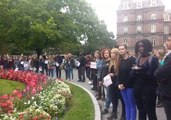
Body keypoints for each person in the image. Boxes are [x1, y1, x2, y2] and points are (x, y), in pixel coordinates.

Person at [131, 39, 158, 120]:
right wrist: (134, 71)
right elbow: (133, 75)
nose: (141, 48)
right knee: (141, 111)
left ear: (147, 46)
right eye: (139, 46)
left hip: (149, 90)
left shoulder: (153, 59)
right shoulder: (137, 58)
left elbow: (153, 75)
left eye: (142, 46)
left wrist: (139, 71)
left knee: (150, 112)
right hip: (138, 89)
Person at [154, 34, 171, 120]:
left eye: (168, 40)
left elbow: (158, 74)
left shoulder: (169, 57)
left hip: (168, 92)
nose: (166, 42)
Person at [118, 44, 136, 120]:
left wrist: (124, 84)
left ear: (126, 49)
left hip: (130, 86)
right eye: (119, 49)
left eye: (122, 49)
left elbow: (133, 74)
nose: (121, 50)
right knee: (126, 104)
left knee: (132, 105)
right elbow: (118, 73)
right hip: (122, 87)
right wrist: (119, 84)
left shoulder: (132, 59)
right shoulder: (120, 60)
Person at [107, 48, 125, 120]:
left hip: (118, 83)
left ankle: (123, 115)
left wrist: (113, 75)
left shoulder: (120, 62)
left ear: (117, 54)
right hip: (111, 83)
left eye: (113, 53)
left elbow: (120, 73)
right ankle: (114, 113)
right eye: (111, 52)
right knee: (113, 99)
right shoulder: (111, 62)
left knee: (122, 99)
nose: (111, 54)